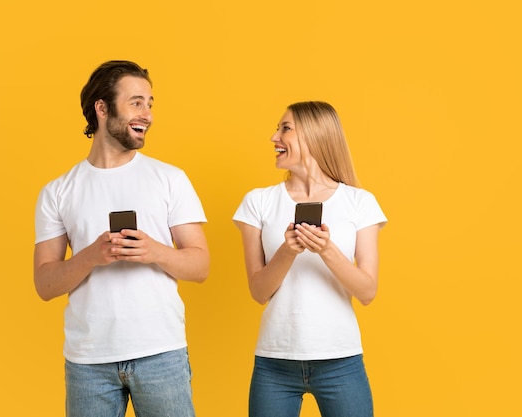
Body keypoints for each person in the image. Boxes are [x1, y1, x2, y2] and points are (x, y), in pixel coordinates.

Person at [34, 60, 210, 417]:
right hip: (88, 362)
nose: (148, 113)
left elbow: (200, 265)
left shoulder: (170, 179)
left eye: (150, 103)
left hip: (161, 353)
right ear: (102, 108)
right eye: (136, 102)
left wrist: (154, 251)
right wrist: (91, 256)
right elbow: (45, 284)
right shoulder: (58, 192)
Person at [233, 101, 387, 417]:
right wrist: (287, 251)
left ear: (314, 135)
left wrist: (327, 250)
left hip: (341, 361)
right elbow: (259, 292)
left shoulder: (359, 202)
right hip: (275, 363)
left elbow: (367, 292)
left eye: (285, 128)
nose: (274, 137)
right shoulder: (258, 202)